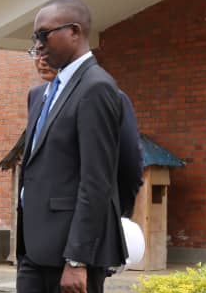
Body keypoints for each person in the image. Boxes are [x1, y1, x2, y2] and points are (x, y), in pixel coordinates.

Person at [14, 0, 126, 293]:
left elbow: (97, 181)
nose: (38, 43)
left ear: (74, 31)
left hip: (71, 262)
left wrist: (78, 259)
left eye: (43, 34)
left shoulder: (96, 87)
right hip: (33, 254)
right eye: (35, 36)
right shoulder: (40, 94)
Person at [27, 54, 143, 219]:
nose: (42, 61)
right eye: (37, 53)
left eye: (49, 53)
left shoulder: (105, 95)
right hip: (36, 221)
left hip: (81, 219)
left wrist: (118, 214)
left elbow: (130, 165)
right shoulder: (36, 96)